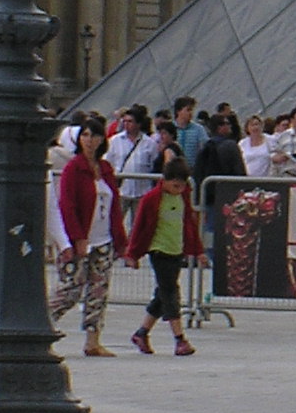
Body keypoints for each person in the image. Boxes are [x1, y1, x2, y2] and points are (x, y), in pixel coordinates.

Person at [51, 117, 126, 356]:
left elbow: (114, 206)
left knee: (98, 291)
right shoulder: (74, 167)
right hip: (81, 238)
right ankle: (43, 326)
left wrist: (120, 240)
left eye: (94, 135)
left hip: (103, 239)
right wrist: (76, 237)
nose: (89, 140)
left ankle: (93, 340)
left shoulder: (105, 169)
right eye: (84, 135)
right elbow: (67, 205)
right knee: (71, 289)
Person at [123, 152, 202, 356]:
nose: (179, 190)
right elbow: (140, 226)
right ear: (164, 181)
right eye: (175, 186)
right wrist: (132, 253)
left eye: (182, 186)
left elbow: (189, 225)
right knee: (170, 293)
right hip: (159, 250)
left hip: (176, 250)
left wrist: (197, 250)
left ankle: (142, 332)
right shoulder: (151, 200)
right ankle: (179, 338)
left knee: (161, 294)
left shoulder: (182, 198)